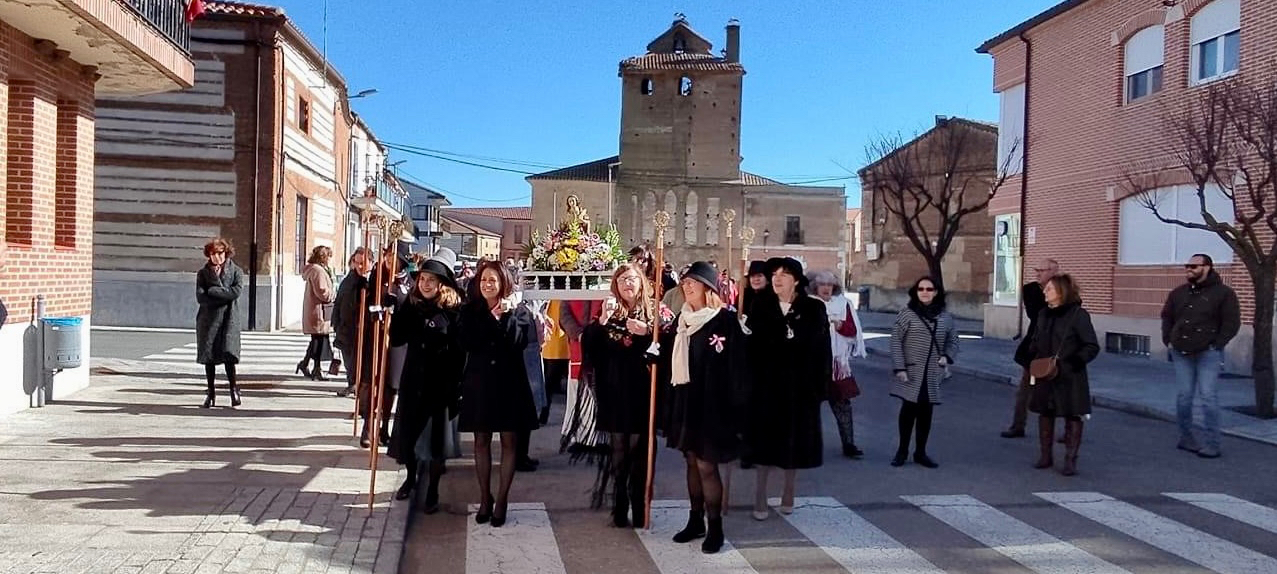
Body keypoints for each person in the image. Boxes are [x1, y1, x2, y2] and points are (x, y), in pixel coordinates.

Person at [663, 261, 749, 554]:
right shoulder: (682, 320)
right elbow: (670, 358)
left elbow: (737, 367)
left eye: (693, 283)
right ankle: (695, 520)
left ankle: (715, 527)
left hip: (713, 405)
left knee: (706, 465)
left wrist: (736, 408)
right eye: (684, 283)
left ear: (708, 288)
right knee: (690, 461)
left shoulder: (724, 321)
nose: (686, 287)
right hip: (686, 401)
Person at [583, 263, 670, 528]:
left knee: (640, 449)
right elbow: (591, 347)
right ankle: (619, 504)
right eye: (621, 281)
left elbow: (668, 346)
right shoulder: (609, 310)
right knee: (618, 448)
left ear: (642, 282)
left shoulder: (655, 311)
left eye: (631, 279)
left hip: (643, 390)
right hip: (615, 389)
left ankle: (640, 502)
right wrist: (600, 324)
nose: (627, 285)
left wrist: (647, 333)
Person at [744, 257, 828, 521]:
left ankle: (789, 492)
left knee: (794, 442)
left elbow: (822, 350)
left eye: (784, 273)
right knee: (764, 444)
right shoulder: (761, 305)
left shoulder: (813, 308)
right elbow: (752, 350)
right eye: (775, 273)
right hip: (767, 387)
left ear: (796, 279)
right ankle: (760, 495)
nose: (777, 278)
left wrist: (818, 387)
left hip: (799, 389)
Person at [458, 260, 538, 528]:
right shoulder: (470, 310)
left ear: (503, 283)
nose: (488, 285)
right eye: (483, 281)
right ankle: (484, 497)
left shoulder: (519, 312)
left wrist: (506, 316)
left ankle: (502, 500)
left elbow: (519, 342)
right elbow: (467, 341)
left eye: (493, 280)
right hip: (480, 383)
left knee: (509, 442)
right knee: (481, 441)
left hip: (509, 383)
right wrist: (491, 317)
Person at [388, 248, 465, 513]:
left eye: (431, 280)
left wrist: (457, 387)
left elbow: (460, 351)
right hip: (413, 381)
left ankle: (432, 489)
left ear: (442, 283)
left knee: (435, 443)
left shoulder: (454, 310)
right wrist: (391, 311)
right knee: (409, 437)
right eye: (422, 279)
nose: (426, 284)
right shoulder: (411, 305)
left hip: (441, 385)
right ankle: (410, 479)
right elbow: (397, 337)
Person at [1161, 253, 1240, 459]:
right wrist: (1168, 339)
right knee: (1184, 397)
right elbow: (1167, 316)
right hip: (1181, 351)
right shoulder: (1179, 293)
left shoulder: (1224, 294)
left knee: (1208, 397)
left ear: (1207, 267)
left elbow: (1231, 323)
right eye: (1187, 265)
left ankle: (1212, 443)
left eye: (1194, 266)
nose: (1189, 269)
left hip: (1208, 353)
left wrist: (1217, 344)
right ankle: (1186, 437)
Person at [1028, 273, 1100, 476]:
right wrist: (1033, 353)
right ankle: (1045, 456)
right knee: (1045, 412)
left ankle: (1070, 459)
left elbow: (1091, 345)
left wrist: (1074, 362)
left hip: (1070, 373)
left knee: (1072, 414)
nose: (1045, 292)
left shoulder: (1078, 315)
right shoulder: (1043, 314)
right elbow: (1036, 338)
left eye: (1049, 289)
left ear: (1061, 292)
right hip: (1045, 371)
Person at [889, 277, 958, 468]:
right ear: (915, 292)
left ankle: (920, 452)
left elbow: (953, 341)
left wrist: (947, 356)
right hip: (911, 371)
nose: (925, 292)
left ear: (936, 292)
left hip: (932, 374)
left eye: (929, 289)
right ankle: (902, 451)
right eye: (921, 289)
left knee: (926, 413)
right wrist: (899, 367)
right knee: (908, 411)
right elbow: (896, 342)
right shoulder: (907, 314)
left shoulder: (945, 318)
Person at [809, 269, 866, 458]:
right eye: (822, 284)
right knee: (808, 408)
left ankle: (848, 444)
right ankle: (807, 444)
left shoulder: (844, 304)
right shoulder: (807, 304)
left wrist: (839, 324)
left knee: (842, 405)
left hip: (837, 365)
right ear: (814, 286)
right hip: (813, 364)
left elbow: (852, 331)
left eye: (829, 285)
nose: (826, 288)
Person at [1003, 259, 1059, 438]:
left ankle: (1069, 428)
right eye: (1037, 270)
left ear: (1053, 272)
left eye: (1042, 270)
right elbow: (1037, 313)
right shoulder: (1032, 290)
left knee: (1063, 389)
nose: (1038, 273)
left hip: (1058, 347)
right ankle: (1018, 425)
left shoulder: (1066, 290)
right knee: (1026, 388)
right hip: (1036, 348)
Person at [195, 238, 245, 409]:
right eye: (213, 254)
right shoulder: (203, 273)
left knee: (228, 355)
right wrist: (220, 295)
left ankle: (233, 389)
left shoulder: (236, 271)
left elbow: (235, 292)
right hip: (208, 320)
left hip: (228, 319)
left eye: (220, 253)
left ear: (226, 253)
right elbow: (201, 297)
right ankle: (211, 392)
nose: (217, 257)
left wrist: (214, 291)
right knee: (209, 358)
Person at [333, 247, 370, 397]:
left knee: (361, 360)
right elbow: (339, 302)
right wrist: (336, 324)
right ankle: (352, 383)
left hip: (365, 329)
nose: (359, 266)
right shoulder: (348, 281)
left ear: (370, 262)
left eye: (363, 263)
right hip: (346, 328)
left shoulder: (373, 280)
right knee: (349, 359)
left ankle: (360, 385)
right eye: (357, 262)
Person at [298, 246, 336, 381]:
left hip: (317, 310)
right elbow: (322, 291)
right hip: (318, 311)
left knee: (317, 340)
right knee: (318, 341)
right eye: (329, 256)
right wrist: (333, 295)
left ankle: (307, 364)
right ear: (324, 257)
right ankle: (315, 369)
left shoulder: (314, 269)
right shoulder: (318, 271)